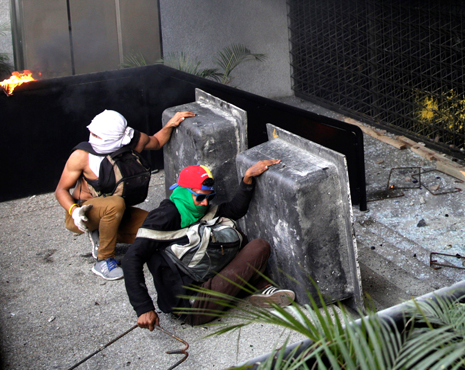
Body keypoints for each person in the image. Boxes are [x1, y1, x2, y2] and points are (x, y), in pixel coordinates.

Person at [124, 162, 295, 329]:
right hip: (193, 305)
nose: (205, 203)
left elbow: (234, 210)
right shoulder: (164, 217)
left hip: (204, 281)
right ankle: (258, 286)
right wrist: (144, 308)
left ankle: (260, 288)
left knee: (232, 233)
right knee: (259, 247)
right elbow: (131, 259)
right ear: (183, 193)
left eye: (209, 197)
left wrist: (247, 179)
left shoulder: (198, 210)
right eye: (199, 197)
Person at [55, 109, 196, 280]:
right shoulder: (81, 156)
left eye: (98, 136)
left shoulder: (133, 141)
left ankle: (104, 234)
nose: (92, 138)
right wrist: (74, 211)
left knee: (161, 228)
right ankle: (104, 259)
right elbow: (61, 189)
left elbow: (157, 141)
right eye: (92, 133)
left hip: (117, 213)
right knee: (115, 204)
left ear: (119, 137)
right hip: (84, 214)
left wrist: (170, 124)